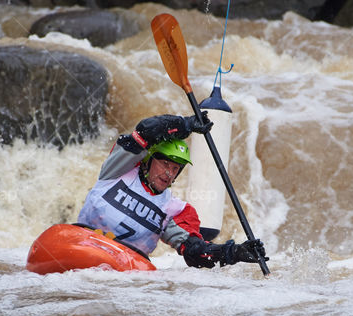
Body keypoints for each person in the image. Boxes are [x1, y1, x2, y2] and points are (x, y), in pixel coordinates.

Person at [77, 113, 267, 268]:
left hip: (123, 268)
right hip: (81, 245)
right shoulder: (119, 169)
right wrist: (186, 124)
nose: (169, 173)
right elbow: (146, 129)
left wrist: (233, 252)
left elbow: (196, 253)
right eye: (165, 163)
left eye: (176, 168)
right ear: (149, 159)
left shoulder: (175, 209)